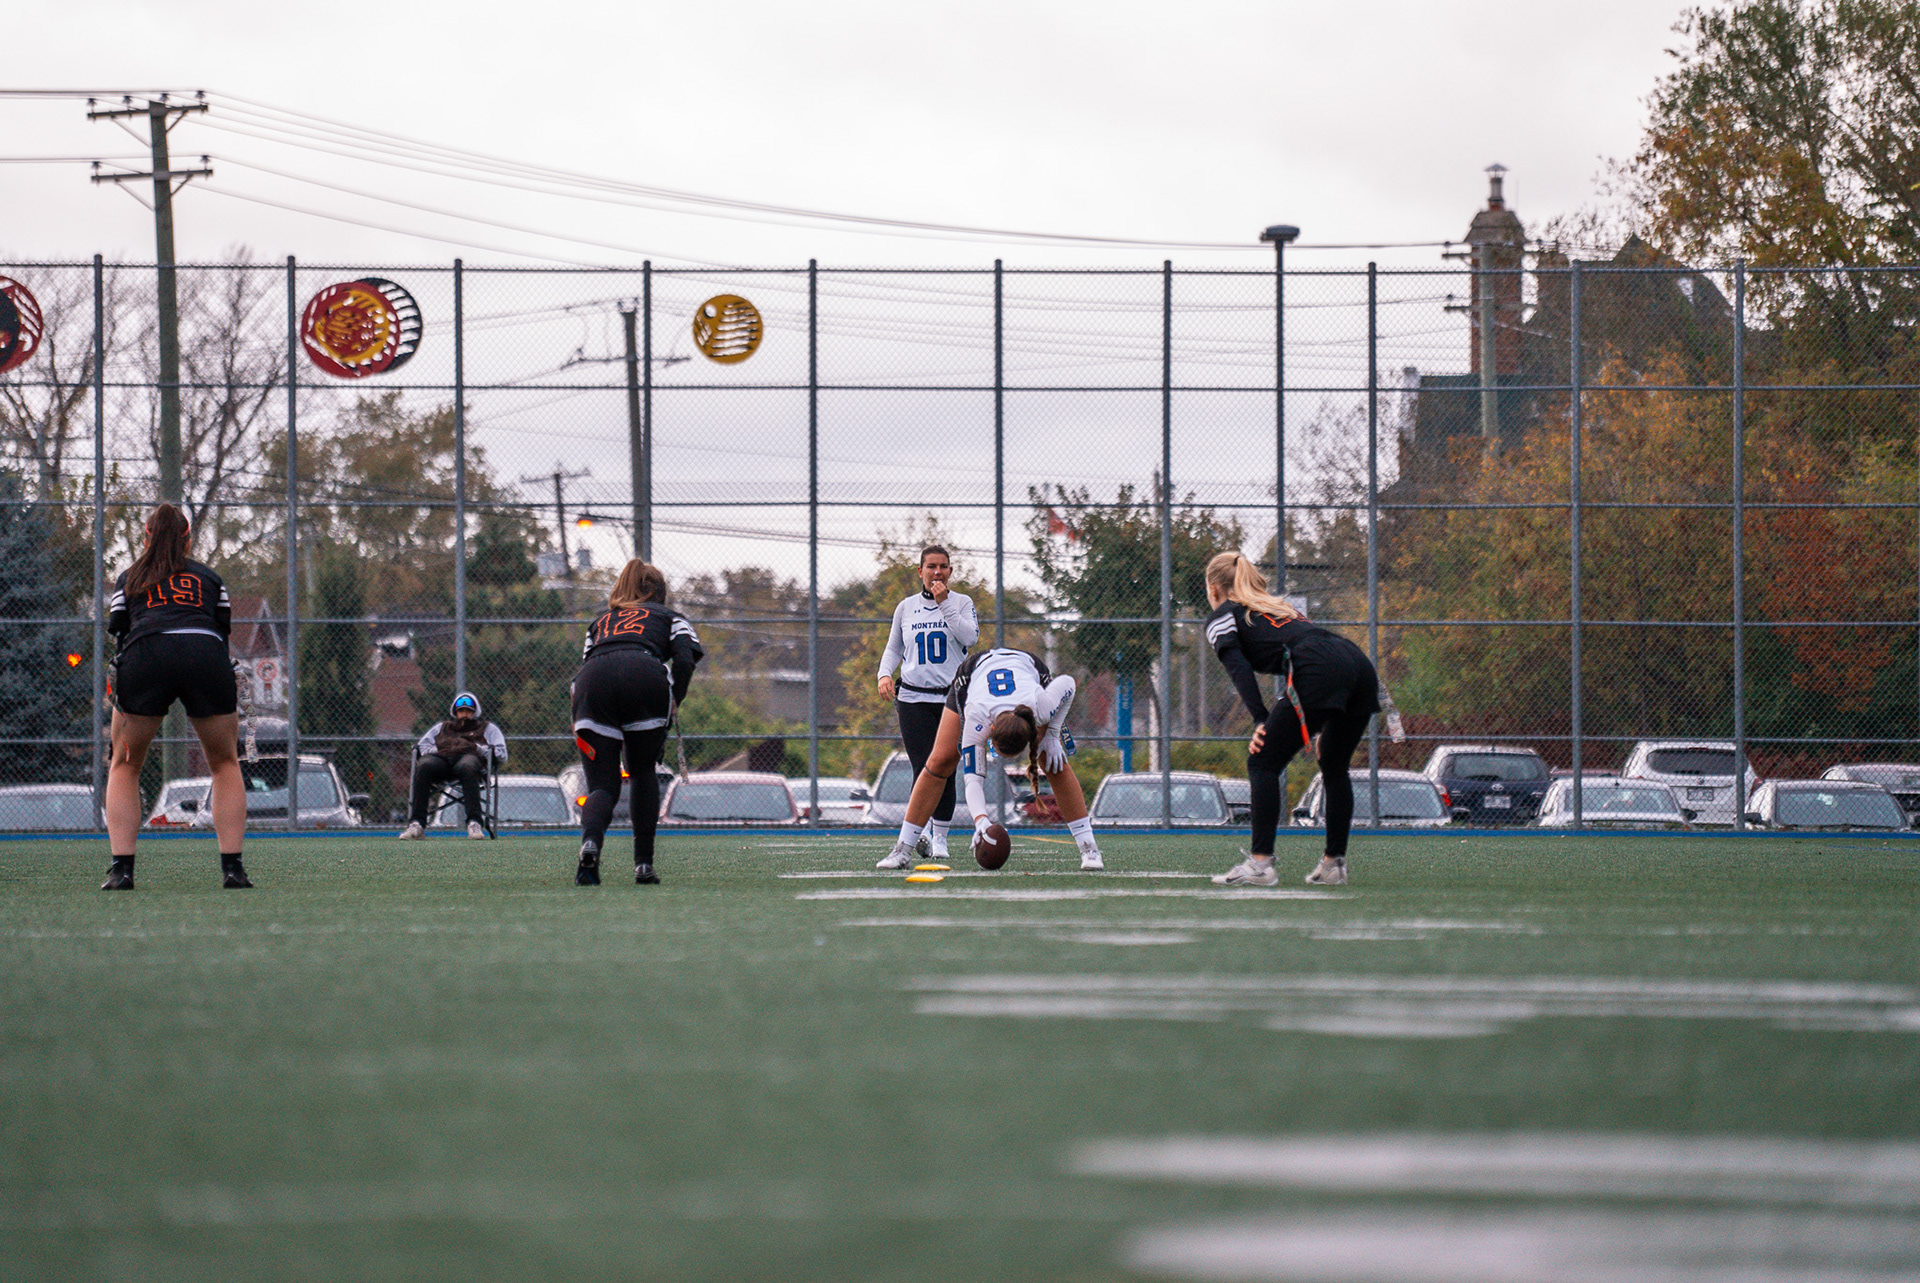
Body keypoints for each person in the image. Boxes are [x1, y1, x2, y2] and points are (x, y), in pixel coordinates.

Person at [1202, 551, 1380, 887]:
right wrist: (1317, 718)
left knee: (1262, 762)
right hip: (1356, 662)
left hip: (1319, 668)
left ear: (1214, 588)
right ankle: (1333, 864)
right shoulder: (1278, 608)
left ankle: (1260, 864)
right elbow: (1306, 653)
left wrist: (1260, 719)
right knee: (1334, 764)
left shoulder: (1223, 615)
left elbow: (1239, 669)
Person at [99, 503, 249, 890]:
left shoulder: (129, 577)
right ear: (188, 539)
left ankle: (122, 871)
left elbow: (119, 630)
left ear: (146, 537)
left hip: (146, 654)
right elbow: (222, 628)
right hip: (204, 653)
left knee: (124, 765)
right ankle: (233, 869)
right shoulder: (210, 578)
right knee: (225, 763)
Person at [876, 645, 1104, 872]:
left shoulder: (1040, 708)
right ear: (990, 729)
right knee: (940, 761)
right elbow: (973, 780)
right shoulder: (976, 714)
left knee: (1052, 762)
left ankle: (1089, 848)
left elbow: (1067, 684)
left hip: (1027, 669)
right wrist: (981, 821)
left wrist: (1052, 735)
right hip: (973, 674)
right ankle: (902, 850)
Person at [570, 559, 703, 886]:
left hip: (591, 682)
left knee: (602, 786)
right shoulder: (671, 617)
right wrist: (675, 697)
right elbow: (685, 659)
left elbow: (589, 661)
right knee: (642, 772)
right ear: (659, 592)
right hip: (643, 674)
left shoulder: (599, 622)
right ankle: (643, 864)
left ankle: (590, 843)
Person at [875, 544, 978, 860]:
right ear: (920, 571)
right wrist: (884, 674)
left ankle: (941, 838)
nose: (937, 572)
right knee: (923, 767)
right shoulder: (906, 607)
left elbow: (969, 638)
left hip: (950, 699)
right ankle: (918, 833)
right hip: (913, 698)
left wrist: (944, 602)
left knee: (945, 767)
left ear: (950, 571)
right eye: (931, 566)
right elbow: (894, 647)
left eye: (943, 566)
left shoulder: (962, 602)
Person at [400, 692, 508, 839]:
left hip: (469, 760)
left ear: (475, 712)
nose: (464, 714)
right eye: (461, 711)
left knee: (467, 766)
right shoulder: (442, 728)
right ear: (455, 712)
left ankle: (474, 823)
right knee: (424, 765)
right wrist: (440, 748)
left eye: (468, 711)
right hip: (442, 761)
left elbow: (501, 754)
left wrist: (476, 748)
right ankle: (417, 824)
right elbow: (421, 747)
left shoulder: (487, 729)